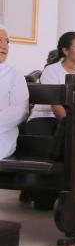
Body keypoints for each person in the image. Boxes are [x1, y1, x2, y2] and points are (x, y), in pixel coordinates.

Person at [25, 31, 75, 137]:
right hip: (45, 117)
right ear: (65, 51)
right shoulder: (51, 70)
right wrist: (74, 126)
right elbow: (56, 106)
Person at [0, 25, 29, 159]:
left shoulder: (15, 76)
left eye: (7, 41)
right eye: (0, 40)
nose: (4, 45)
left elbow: (20, 111)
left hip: (3, 135)